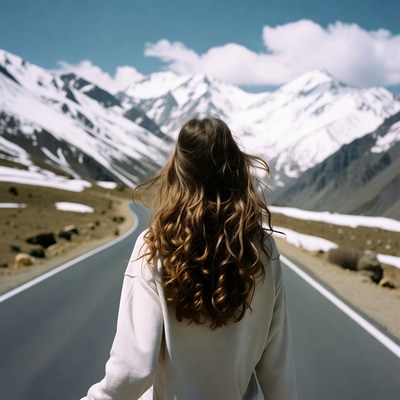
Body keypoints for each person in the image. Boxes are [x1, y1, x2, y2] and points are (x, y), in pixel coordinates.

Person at [81, 116, 297, 400]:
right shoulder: (262, 249)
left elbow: (133, 369)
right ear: (235, 168)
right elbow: (277, 370)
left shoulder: (154, 246)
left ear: (178, 171)